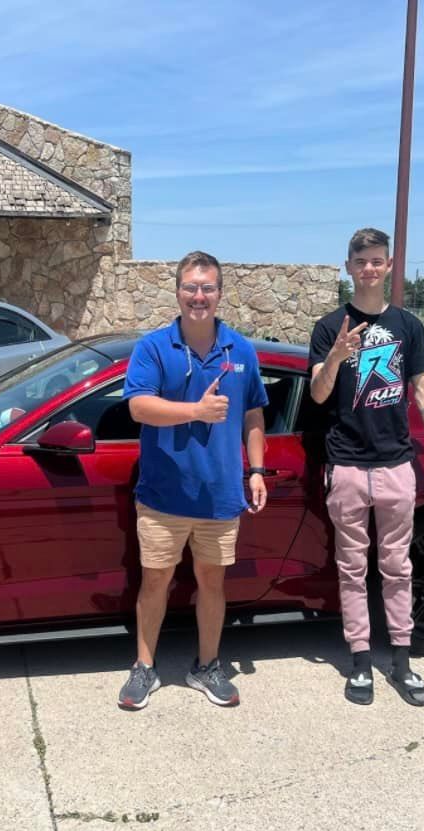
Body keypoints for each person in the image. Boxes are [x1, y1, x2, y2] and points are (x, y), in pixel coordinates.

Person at [117, 251, 270, 710]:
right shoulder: (153, 347)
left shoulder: (240, 350)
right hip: (164, 495)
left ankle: (207, 665)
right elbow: (138, 407)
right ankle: (144, 668)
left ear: (220, 294)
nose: (198, 296)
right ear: (178, 292)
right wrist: (196, 412)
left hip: (220, 496)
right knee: (155, 582)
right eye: (190, 287)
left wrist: (257, 469)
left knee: (212, 583)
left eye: (207, 288)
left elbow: (253, 412)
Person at [308, 227, 424, 707]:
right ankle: (360, 663)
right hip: (347, 464)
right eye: (361, 261)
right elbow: (318, 394)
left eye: (377, 261)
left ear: (389, 267)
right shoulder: (330, 327)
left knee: (397, 567)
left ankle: (403, 663)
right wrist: (335, 357)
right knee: (351, 569)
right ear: (348, 267)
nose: (369, 268)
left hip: (395, 465)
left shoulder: (408, 326)